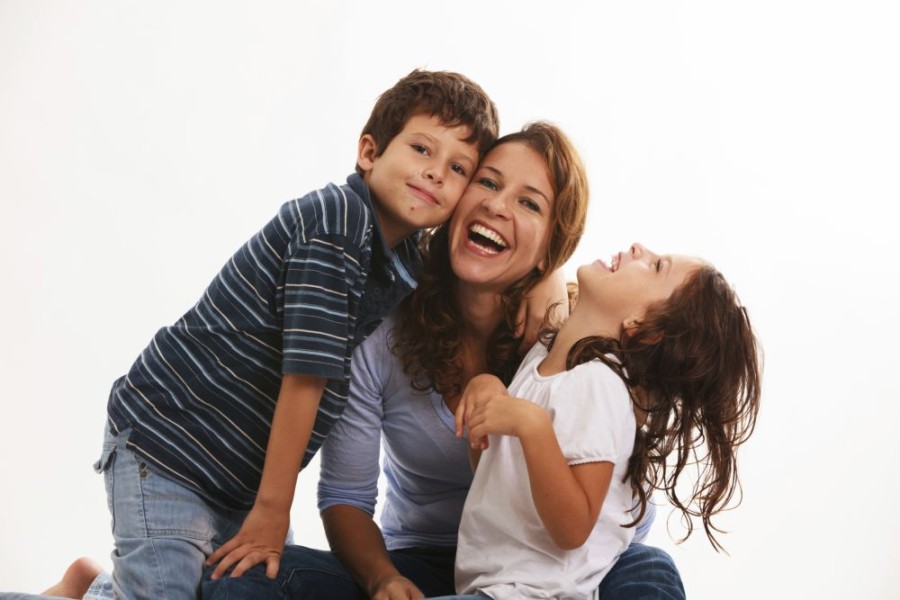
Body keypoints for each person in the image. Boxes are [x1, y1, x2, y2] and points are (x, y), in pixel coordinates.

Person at [201, 122, 687, 600]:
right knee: (243, 579)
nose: (497, 205)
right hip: (425, 560)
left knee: (649, 569)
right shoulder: (382, 328)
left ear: (550, 250)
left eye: (529, 203)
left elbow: (608, 504)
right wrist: (382, 579)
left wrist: (553, 287)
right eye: (488, 183)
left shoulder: (567, 335)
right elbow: (345, 498)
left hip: (553, 569)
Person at [79, 69, 500, 600]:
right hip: (171, 451)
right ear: (369, 152)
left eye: (458, 168)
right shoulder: (338, 224)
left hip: (235, 475)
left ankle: (89, 589)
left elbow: (496, 271)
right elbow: (306, 376)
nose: (436, 173)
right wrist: (273, 513)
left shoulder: (401, 260)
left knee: (240, 590)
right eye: (421, 149)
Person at [445, 243, 762, 599]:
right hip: (488, 586)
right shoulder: (542, 355)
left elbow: (573, 528)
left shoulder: (601, 383)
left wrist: (532, 426)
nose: (639, 248)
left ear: (642, 326)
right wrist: (487, 395)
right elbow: (495, 473)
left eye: (656, 266)